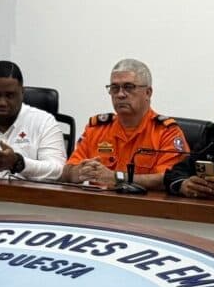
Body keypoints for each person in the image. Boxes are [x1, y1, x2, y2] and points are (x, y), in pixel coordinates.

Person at [61, 58, 188, 189]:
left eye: (129, 87)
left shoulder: (166, 132)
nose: (120, 94)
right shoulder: (96, 129)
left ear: (148, 93)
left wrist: (117, 178)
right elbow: (68, 171)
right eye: (114, 88)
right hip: (97, 205)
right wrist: (77, 173)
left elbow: (168, 179)